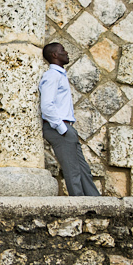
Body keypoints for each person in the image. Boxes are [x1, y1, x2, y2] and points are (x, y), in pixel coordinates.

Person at [39, 42, 100, 196]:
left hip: (66, 128)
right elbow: (47, 105)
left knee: (83, 169)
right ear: (54, 55)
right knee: (73, 171)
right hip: (59, 128)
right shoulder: (52, 76)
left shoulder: (59, 75)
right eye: (62, 50)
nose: (66, 53)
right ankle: (80, 206)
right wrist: (61, 128)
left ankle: (95, 202)